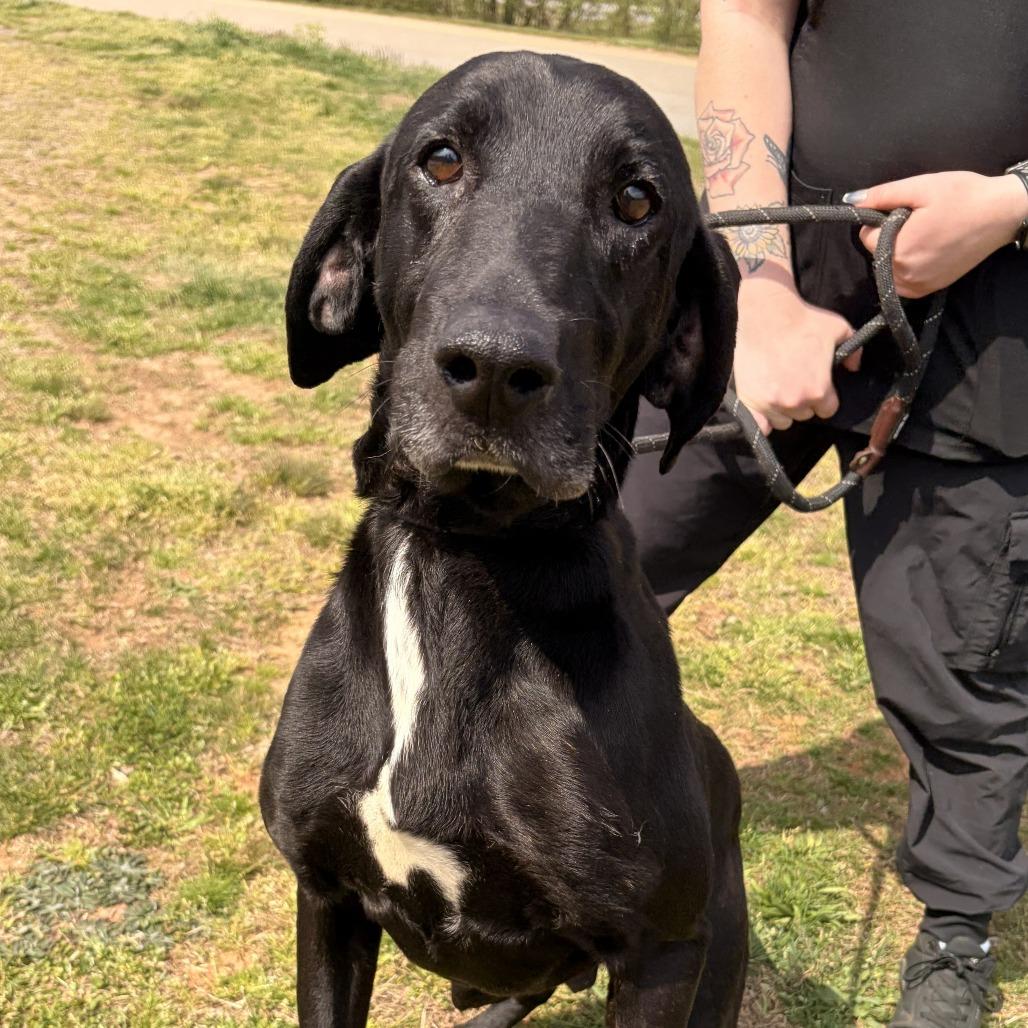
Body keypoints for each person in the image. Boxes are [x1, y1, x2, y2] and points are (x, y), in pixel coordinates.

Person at [621, 2, 1028, 1025]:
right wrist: (753, 283)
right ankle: (472, 796)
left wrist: (1011, 202)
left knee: (964, 669)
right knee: (593, 547)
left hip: (993, 320)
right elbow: (746, 23)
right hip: (773, 279)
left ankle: (955, 925)